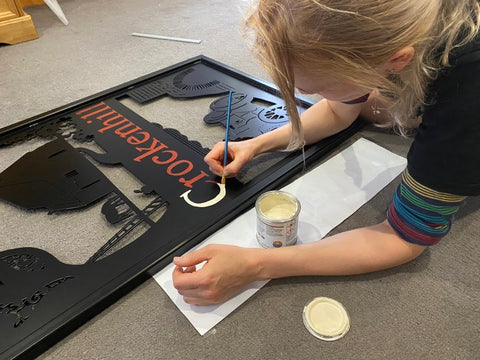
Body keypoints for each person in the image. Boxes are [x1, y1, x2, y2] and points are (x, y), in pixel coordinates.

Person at [173, 0, 480, 305]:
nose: (303, 93)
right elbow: (338, 112)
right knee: (376, 109)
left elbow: (404, 238)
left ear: (397, 59)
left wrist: (256, 265)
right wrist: (256, 144)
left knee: (395, 115)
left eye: (314, 87)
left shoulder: (465, 101)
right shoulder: (379, 27)